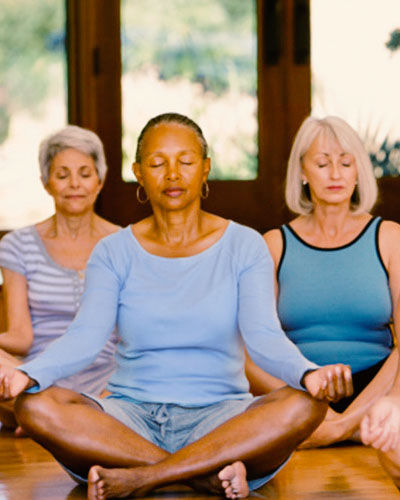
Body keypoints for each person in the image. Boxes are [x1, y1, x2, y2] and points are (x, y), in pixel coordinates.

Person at [0, 113, 351, 500]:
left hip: (221, 417)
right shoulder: (113, 251)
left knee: (306, 405)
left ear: (205, 170)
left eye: (185, 162)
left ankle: (141, 476)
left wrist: (307, 374)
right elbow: (85, 337)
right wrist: (29, 375)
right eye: (157, 163)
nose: (172, 174)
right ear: (138, 173)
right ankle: (199, 475)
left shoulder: (244, 245)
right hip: (130, 418)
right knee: (34, 406)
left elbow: (264, 336)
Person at [247, 116, 400, 455]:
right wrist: (312, 406)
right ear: (302, 172)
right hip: (298, 391)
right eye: (322, 163)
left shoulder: (390, 237)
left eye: (346, 163)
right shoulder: (273, 245)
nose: (335, 174)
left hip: (379, 389)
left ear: (359, 171)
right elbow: (252, 353)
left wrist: (341, 425)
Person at [0, 125, 119, 433]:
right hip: (37, 378)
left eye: (84, 173)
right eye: (62, 175)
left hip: (109, 381)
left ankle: (47, 419)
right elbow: (21, 337)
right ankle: (54, 414)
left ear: (100, 180)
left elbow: (134, 335)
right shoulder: (17, 245)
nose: (74, 184)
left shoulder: (125, 243)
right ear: (46, 183)